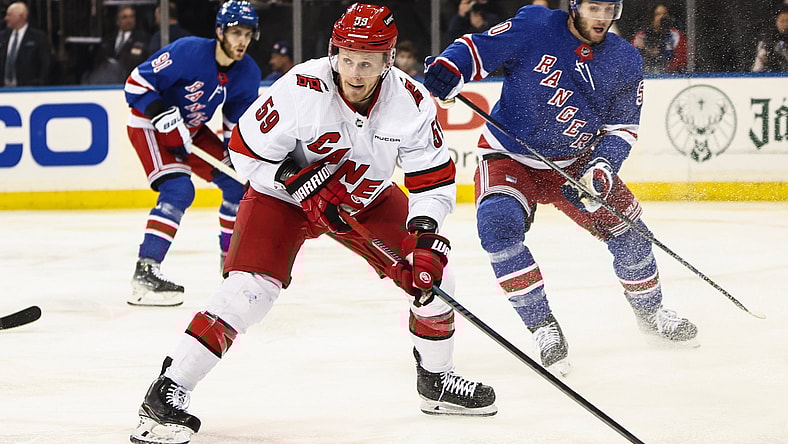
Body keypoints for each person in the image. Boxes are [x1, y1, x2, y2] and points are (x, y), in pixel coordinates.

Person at [129, 3, 497, 443]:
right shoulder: (301, 87)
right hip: (283, 198)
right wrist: (293, 178)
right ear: (333, 52)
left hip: (365, 197)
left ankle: (436, 382)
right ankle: (169, 390)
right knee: (249, 290)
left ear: (388, 60)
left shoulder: (412, 102)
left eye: (367, 61)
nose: (354, 72)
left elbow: (433, 180)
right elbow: (244, 150)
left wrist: (424, 234)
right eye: (346, 58)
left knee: (436, 274)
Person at [422, 0, 698, 375]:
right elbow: (477, 48)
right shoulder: (536, 24)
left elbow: (621, 129)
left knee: (630, 233)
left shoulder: (625, 59)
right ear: (573, 5)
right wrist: (451, 68)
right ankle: (543, 327)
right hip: (511, 155)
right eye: (593, 7)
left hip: (578, 164)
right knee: (497, 225)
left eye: (609, 9)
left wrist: (602, 168)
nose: (601, 18)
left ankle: (651, 314)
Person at [124, 0, 261, 307]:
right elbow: (135, 84)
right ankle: (145, 273)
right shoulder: (187, 51)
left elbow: (235, 130)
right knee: (178, 189)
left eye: (248, 34)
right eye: (236, 32)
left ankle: (232, 267)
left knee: (237, 184)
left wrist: (246, 164)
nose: (242, 41)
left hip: (191, 129)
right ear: (219, 31)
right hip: (149, 124)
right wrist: (160, 112)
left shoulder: (248, 73)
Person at [1, 1, 52, 87]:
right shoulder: (2, 37)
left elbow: (46, 65)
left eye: (9, 15)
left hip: (28, 90)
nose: (6, 18)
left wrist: (38, 86)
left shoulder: (38, 37)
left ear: (21, 17)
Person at [630, 3, 687, 74]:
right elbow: (631, 59)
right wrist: (644, 50)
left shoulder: (676, 36)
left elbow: (682, 59)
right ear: (652, 17)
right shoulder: (641, 36)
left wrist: (663, 58)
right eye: (658, 14)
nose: (662, 17)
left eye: (664, 14)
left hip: (671, 76)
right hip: (647, 75)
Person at [105, 5, 150, 77]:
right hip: (110, 77)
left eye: (131, 17)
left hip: (131, 76)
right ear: (117, 21)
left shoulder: (141, 38)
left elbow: (138, 59)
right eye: (124, 17)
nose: (129, 20)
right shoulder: (110, 38)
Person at [752, 5, 788, 72]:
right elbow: (757, 67)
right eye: (782, 21)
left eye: (787, 21)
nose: (785, 24)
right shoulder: (767, 40)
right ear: (776, 21)